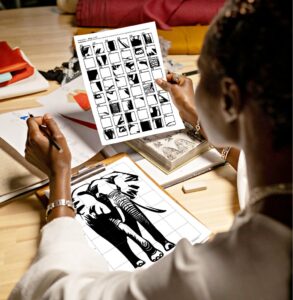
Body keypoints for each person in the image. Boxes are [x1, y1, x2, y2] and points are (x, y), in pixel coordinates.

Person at [9, 0, 292, 299]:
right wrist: (197, 116)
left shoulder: (210, 276)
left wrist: (60, 179)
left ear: (230, 100)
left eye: (202, 73)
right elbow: (263, 167)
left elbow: (55, 293)